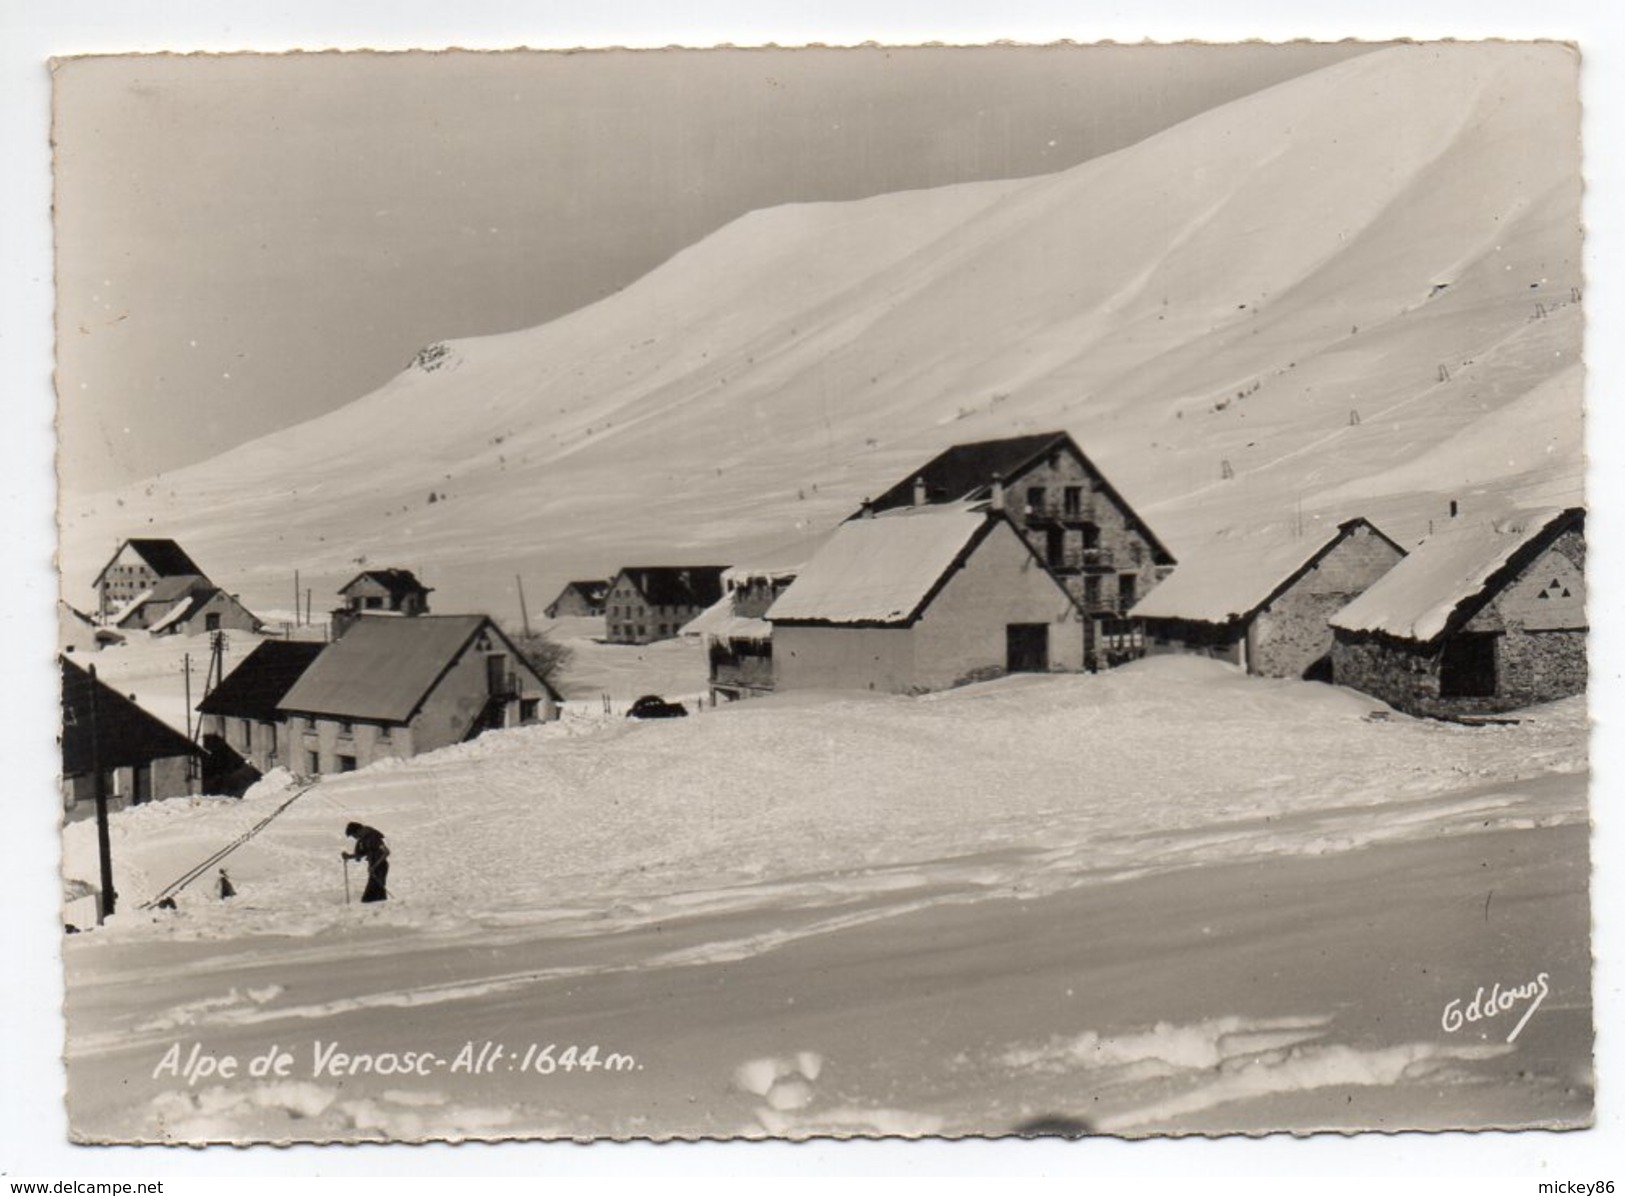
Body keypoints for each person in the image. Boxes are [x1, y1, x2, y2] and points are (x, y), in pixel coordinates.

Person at [343, 821, 390, 903]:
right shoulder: (363, 840)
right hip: (374, 868)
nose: (355, 838)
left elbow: (386, 852)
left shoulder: (373, 837)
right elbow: (360, 855)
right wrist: (349, 856)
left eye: (354, 835)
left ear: (359, 830)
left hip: (381, 867)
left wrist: (374, 866)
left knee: (370, 896)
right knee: (376, 894)